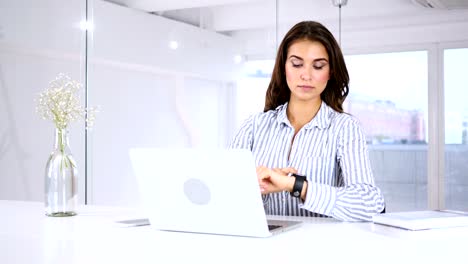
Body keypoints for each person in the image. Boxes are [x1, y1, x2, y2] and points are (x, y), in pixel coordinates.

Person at [229, 21, 385, 221]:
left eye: (318, 66)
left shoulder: (345, 128)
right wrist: (257, 185)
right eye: (296, 64)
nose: (306, 75)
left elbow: (370, 204)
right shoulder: (254, 125)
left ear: (330, 73)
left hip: (319, 249)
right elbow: (224, 194)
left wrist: (294, 185)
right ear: (284, 67)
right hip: (262, 246)